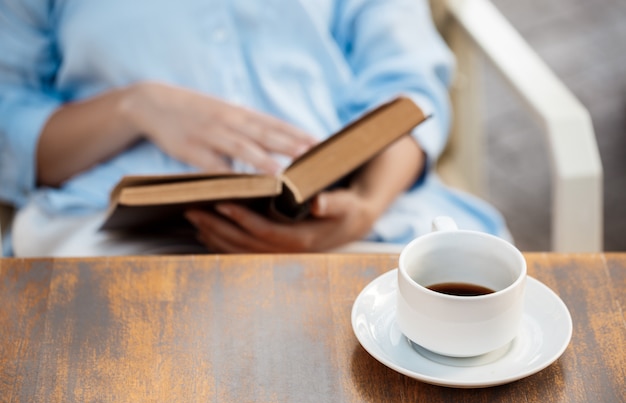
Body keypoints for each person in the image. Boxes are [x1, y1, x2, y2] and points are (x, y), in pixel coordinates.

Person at [0, 0, 510, 257]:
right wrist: (136, 107)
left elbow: (407, 85)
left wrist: (367, 207)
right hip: (113, 241)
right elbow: (10, 131)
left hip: (353, 226)